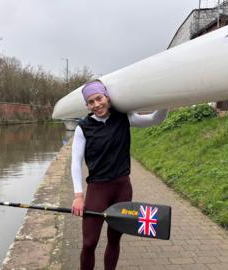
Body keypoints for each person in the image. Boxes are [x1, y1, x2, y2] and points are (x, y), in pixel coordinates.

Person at [71, 80, 167, 270]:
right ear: (87, 106)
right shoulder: (83, 127)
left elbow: (155, 120)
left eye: (99, 98)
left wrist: (167, 100)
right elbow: (75, 162)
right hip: (97, 189)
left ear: (107, 97)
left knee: (114, 239)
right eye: (91, 102)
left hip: (122, 188)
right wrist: (78, 196)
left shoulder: (124, 117)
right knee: (89, 242)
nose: (97, 104)